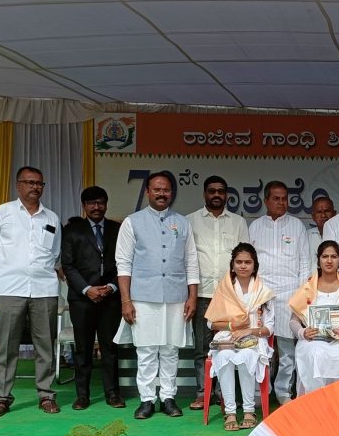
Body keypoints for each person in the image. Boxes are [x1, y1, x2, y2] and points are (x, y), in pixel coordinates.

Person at [115, 171, 200, 420]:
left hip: (176, 297)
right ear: (147, 192)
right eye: (157, 190)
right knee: (147, 350)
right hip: (142, 297)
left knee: (171, 349)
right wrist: (126, 300)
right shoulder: (132, 222)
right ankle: (147, 399)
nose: (162, 194)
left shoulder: (183, 223)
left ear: (172, 193)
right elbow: (123, 264)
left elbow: (191, 262)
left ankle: (169, 397)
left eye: (166, 190)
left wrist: (192, 297)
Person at [0, 166, 62, 418]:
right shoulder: (1, 213)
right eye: (29, 182)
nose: (34, 187)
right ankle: (1, 398)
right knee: (7, 345)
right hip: (10, 288)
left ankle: (46, 395)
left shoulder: (51, 218)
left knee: (45, 345)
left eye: (39, 183)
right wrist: (15, 269)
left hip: (44, 289)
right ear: (18, 185)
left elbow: (55, 253)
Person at [186, 175, 249, 410]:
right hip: (202, 293)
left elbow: (245, 259)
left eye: (220, 191)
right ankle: (203, 392)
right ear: (204, 194)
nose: (216, 195)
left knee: (228, 345)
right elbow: (187, 258)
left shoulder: (238, 222)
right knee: (202, 347)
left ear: (226, 195)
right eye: (211, 191)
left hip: (229, 295)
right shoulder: (190, 221)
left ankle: (225, 394)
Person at [61, 185, 126, 410]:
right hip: (82, 299)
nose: (96, 207)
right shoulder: (72, 230)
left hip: (110, 297)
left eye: (100, 203)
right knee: (83, 348)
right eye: (91, 203)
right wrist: (87, 289)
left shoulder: (118, 229)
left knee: (110, 348)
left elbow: (125, 264)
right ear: (84, 206)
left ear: (106, 204)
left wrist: (111, 286)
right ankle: (82, 395)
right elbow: (67, 265)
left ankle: (112, 393)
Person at [249, 180, 311, 405]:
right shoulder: (255, 226)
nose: (281, 202)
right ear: (266, 200)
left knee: (286, 348)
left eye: (284, 198)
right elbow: (249, 263)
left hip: (289, 293)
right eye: (276, 198)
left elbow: (305, 262)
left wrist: (301, 295)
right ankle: (258, 392)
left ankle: (283, 391)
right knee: (260, 345)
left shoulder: (297, 226)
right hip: (262, 294)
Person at [204, 243, 274, 432]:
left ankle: (250, 410)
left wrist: (249, 331)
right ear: (232, 265)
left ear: (254, 265)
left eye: (247, 262)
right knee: (225, 357)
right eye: (239, 262)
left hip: (254, 338)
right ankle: (231, 412)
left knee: (247, 356)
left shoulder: (263, 291)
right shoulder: (225, 288)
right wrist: (231, 326)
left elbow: (269, 327)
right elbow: (211, 323)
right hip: (227, 337)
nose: (243, 266)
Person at [288, 240, 339, 395]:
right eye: (325, 256)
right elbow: (293, 321)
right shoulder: (308, 287)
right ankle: (317, 405)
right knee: (316, 354)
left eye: (333, 256)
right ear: (318, 260)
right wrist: (302, 333)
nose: (329, 260)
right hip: (313, 340)